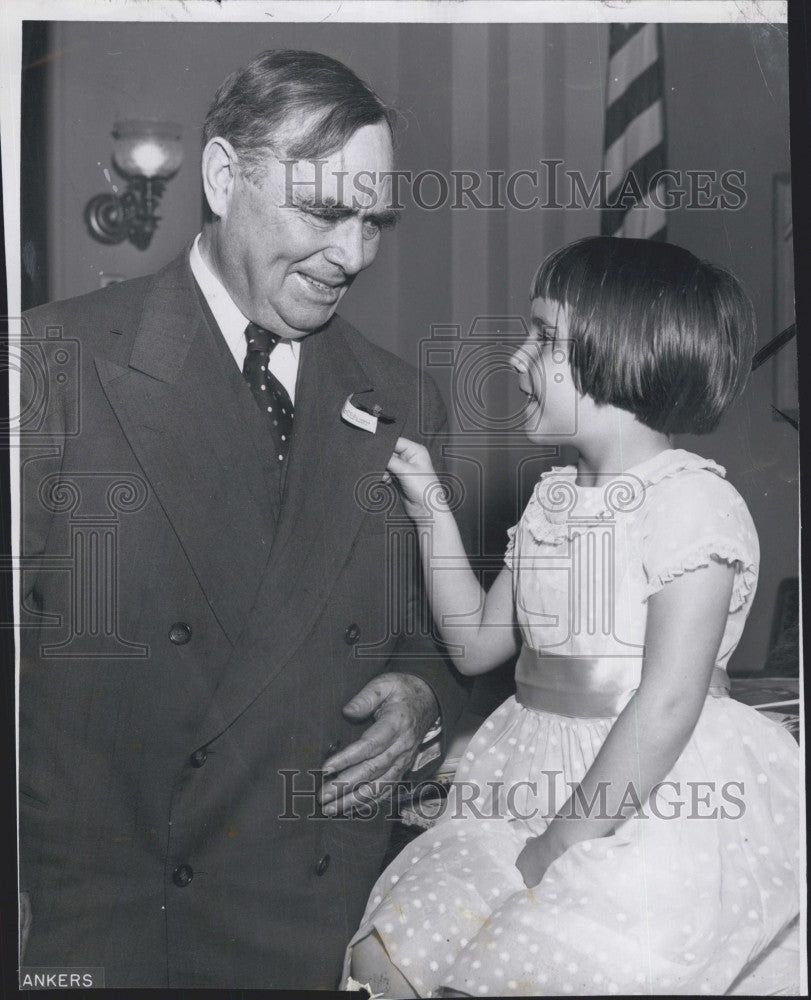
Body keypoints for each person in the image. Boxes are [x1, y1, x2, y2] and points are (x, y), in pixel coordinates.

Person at [18, 49, 466, 989]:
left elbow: (431, 631)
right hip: (118, 923)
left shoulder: (402, 398)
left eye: (373, 221)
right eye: (322, 211)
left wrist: (422, 698)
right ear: (223, 178)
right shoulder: (52, 362)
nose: (351, 255)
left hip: (316, 916)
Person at [344, 236, 801, 996]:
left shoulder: (691, 502)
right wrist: (428, 505)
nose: (517, 357)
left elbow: (668, 701)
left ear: (617, 351)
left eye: (543, 338)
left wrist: (559, 842)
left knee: (531, 969)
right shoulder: (553, 497)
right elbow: (473, 644)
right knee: (391, 958)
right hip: (519, 783)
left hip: (646, 803)